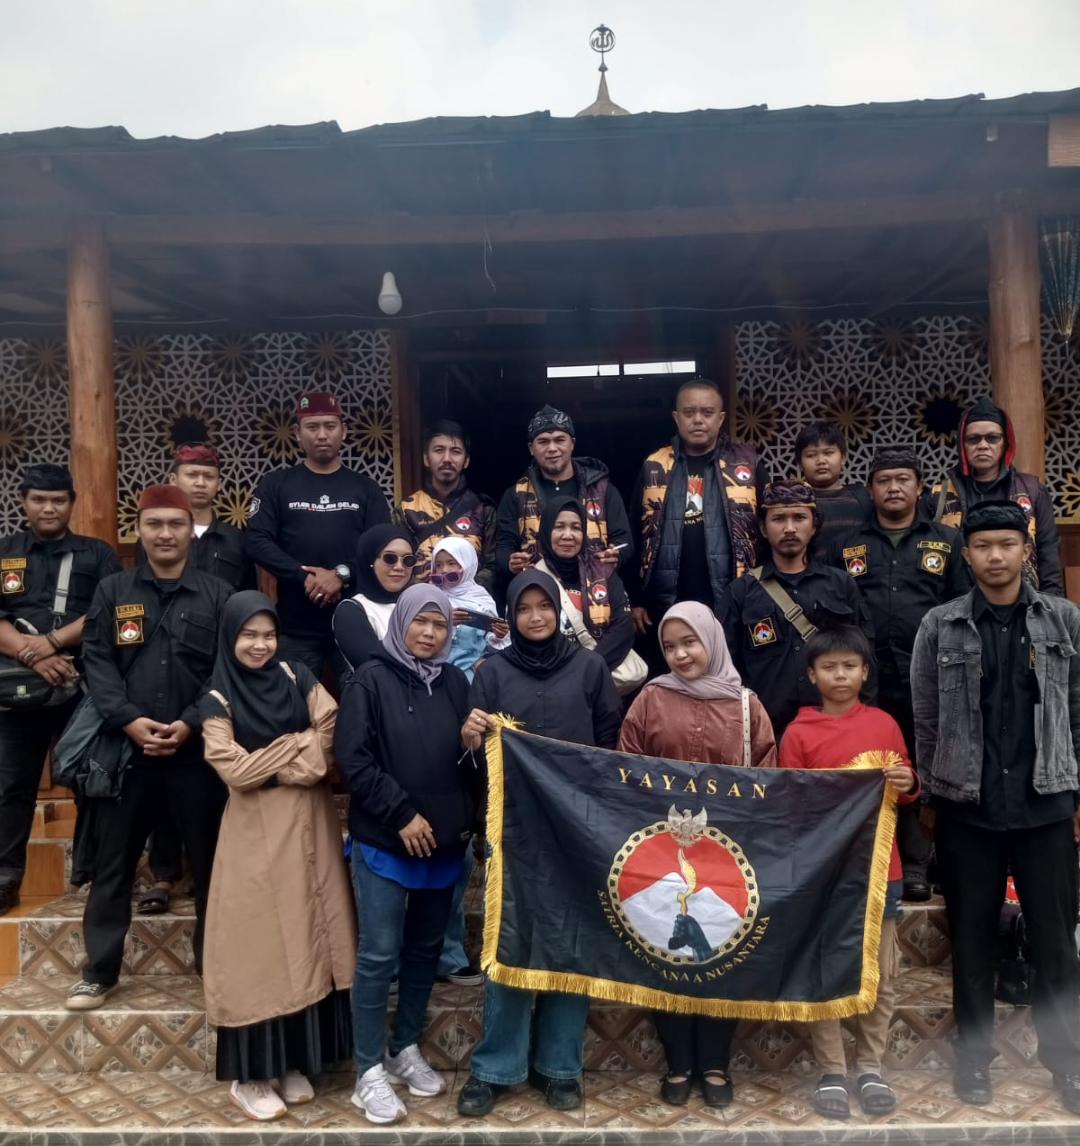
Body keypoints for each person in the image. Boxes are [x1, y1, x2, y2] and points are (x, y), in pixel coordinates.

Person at [911, 501, 1080, 1113]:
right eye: (983, 546)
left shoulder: (1063, 619)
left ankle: (1068, 1065)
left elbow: (1078, 711)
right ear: (968, 554)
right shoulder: (941, 625)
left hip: (1045, 803)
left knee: (1056, 944)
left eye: (1007, 544)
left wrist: (1075, 792)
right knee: (974, 941)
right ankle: (974, 1061)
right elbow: (926, 719)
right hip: (969, 807)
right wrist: (935, 793)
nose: (995, 556)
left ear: (1025, 551)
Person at [457, 569, 622, 1117]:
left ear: (558, 611)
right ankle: (496, 1068)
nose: (535, 617)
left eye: (544, 606)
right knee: (509, 943)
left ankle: (559, 1067)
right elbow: (477, 763)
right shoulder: (492, 674)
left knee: (572, 944)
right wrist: (471, 740)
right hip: (514, 833)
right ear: (511, 615)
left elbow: (609, 747)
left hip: (577, 832)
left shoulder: (589, 668)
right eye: (524, 608)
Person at [65, 485, 231, 1010]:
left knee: (211, 865)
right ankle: (100, 971)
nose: (165, 534)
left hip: (196, 754)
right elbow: (96, 661)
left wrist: (189, 722)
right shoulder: (113, 591)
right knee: (113, 865)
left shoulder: (218, 594)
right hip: (126, 754)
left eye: (175, 525)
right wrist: (130, 720)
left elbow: (225, 670)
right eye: (154, 524)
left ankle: (216, 968)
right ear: (139, 530)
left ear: (190, 532)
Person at [200, 592, 355, 1122]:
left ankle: (292, 1061)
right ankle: (250, 1077)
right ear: (230, 637)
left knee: (308, 931)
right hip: (256, 833)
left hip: (311, 827)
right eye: (249, 635)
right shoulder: (216, 698)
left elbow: (329, 732)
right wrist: (295, 745)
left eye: (268, 635)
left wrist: (275, 759)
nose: (260, 645)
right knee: (262, 946)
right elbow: (235, 772)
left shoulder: (296, 674)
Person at [618, 602, 776, 1109]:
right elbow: (626, 771)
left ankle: (714, 1063)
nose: (681, 654)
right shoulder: (650, 699)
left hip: (726, 858)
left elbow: (767, 779)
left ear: (712, 641)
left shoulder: (747, 706)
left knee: (718, 957)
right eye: (669, 646)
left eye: (690, 642)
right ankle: (678, 1063)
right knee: (664, 953)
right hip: (659, 858)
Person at [334, 585, 478, 1124]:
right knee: (378, 955)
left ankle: (405, 1047)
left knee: (423, 951)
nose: (429, 634)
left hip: (442, 844)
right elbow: (353, 758)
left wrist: (471, 747)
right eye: (421, 622)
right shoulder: (369, 680)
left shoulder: (456, 682)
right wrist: (401, 814)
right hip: (387, 841)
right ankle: (368, 1069)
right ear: (401, 624)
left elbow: (466, 764)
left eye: (440, 626)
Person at [779, 624, 918, 1120]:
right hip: (823, 872)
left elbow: (906, 790)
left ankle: (871, 1067)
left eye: (849, 666)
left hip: (882, 869)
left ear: (865, 672)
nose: (840, 675)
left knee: (879, 973)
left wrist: (907, 780)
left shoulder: (885, 725)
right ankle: (832, 1070)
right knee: (826, 968)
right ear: (812, 675)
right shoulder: (798, 734)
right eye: (829, 667)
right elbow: (790, 806)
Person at [823, 447, 968, 902]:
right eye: (884, 480)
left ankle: (920, 863)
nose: (893, 488)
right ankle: (872, 860)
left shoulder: (947, 541)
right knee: (874, 765)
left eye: (903, 479)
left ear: (919, 487)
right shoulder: (847, 545)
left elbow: (962, 607)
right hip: (867, 678)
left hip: (930, 675)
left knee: (924, 767)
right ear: (870, 490)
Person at [137, 443, 255, 916]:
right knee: (164, 779)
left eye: (208, 475)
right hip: (165, 667)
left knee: (212, 780)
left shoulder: (234, 541)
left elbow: (245, 601)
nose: (200, 482)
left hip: (216, 668)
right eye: (191, 474)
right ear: (175, 478)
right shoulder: (160, 532)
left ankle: (216, 874)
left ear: (219, 483)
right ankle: (165, 873)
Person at [0, 463, 120, 915]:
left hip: (80, 685)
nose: (48, 508)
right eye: (38, 500)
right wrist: (35, 656)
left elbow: (109, 610)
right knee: (11, 786)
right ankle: (5, 879)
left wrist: (52, 643)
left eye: (57, 500)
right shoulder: (4, 552)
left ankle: (90, 874)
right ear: (24, 502)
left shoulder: (97, 553)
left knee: (90, 781)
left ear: (71, 503)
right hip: (16, 690)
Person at [246, 391, 391, 682]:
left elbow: (381, 547)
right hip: (294, 626)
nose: (322, 435)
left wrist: (341, 575)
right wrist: (304, 577)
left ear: (344, 431)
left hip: (355, 619)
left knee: (363, 694)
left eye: (330, 426)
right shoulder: (276, 485)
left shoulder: (366, 488)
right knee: (291, 701)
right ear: (297, 434)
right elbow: (256, 540)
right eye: (312, 427)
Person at [723, 480, 874, 739]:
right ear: (763, 528)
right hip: (767, 731)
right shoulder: (741, 592)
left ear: (814, 525)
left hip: (835, 726)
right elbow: (727, 667)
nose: (790, 528)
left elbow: (865, 655)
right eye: (778, 519)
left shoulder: (841, 584)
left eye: (799, 518)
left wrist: (865, 718)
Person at [627, 379, 768, 644]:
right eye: (689, 412)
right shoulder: (654, 466)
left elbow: (768, 529)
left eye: (707, 412)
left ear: (721, 418)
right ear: (676, 417)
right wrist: (636, 598)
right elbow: (635, 534)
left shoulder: (747, 465)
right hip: (667, 599)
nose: (698, 420)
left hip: (736, 595)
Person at [427, 536, 508, 989]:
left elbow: (500, 652)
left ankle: (454, 953)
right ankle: (426, 955)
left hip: (475, 713)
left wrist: (492, 643)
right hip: (434, 711)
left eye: (452, 565)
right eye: (438, 565)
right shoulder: (424, 602)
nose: (444, 572)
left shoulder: (483, 602)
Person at [927, 397, 1063, 596]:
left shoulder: (1033, 490)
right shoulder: (938, 495)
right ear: (962, 445)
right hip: (955, 603)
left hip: (1022, 603)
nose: (983, 445)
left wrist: (1051, 605)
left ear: (1005, 443)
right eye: (973, 439)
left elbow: (1048, 552)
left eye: (992, 438)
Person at [495, 404, 631, 583]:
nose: (552, 448)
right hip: (538, 588)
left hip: (596, 588)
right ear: (531, 448)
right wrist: (510, 561)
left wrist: (616, 554)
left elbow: (624, 540)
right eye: (543, 442)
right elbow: (504, 545)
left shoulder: (603, 489)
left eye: (560, 440)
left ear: (572, 443)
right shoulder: (516, 494)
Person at [533, 496, 640, 693]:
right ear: (546, 530)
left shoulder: (603, 572)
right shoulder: (532, 579)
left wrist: (585, 671)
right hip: (550, 685)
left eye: (576, 528)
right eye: (559, 527)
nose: (568, 535)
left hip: (599, 681)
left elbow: (623, 626)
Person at [397, 421, 497, 589]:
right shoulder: (406, 510)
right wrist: (421, 587)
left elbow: (494, 565)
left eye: (455, 451)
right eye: (439, 450)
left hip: (469, 601)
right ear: (426, 458)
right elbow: (396, 563)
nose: (447, 459)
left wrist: (462, 588)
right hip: (422, 599)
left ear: (466, 461)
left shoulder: (483, 509)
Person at [333, 525, 417, 673]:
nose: (399, 567)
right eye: (390, 558)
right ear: (369, 560)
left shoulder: (419, 603)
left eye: (408, 560)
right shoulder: (351, 611)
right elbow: (377, 671)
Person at [794, 421, 872, 548]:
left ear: (843, 458)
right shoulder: (795, 502)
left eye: (828, 453)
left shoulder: (862, 497)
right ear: (800, 464)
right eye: (811, 455)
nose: (821, 461)